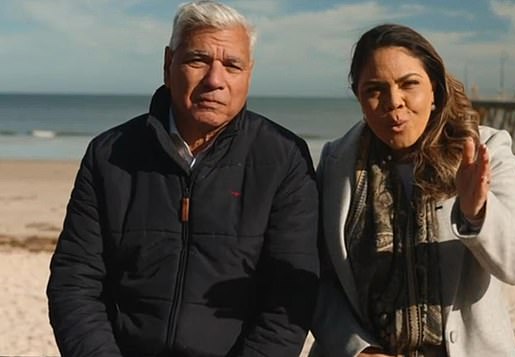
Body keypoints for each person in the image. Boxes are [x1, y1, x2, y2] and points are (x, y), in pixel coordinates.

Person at [47, 1, 319, 356]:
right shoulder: (109, 154)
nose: (214, 80)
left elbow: (290, 298)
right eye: (198, 60)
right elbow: (75, 281)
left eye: (232, 65)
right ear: (167, 63)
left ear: (248, 74)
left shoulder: (284, 159)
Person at [310, 24, 515, 357]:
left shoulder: (484, 149)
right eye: (375, 89)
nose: (394, 103)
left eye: (409, 85)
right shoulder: (336, 162)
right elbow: (319, 276)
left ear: (434, 88)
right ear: (358, 95)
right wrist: (358, 349)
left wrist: (477, 212)